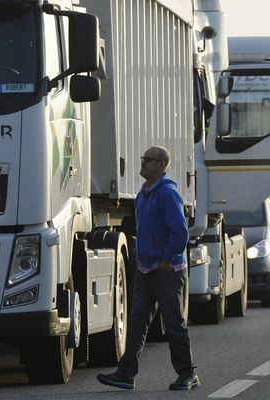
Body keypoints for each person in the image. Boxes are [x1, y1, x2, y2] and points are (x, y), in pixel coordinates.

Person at [97, 145, 199, 391]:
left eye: (148, 160)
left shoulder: (167, 193)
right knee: (137, 322)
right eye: (142, 159)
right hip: (146, 270)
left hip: (166, 271)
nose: (142, 163)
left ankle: (188, 374)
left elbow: (180, 232)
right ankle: (126, 373)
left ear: (161, 165)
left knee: (174, 323)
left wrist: (166, 259)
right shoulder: (144, 193)